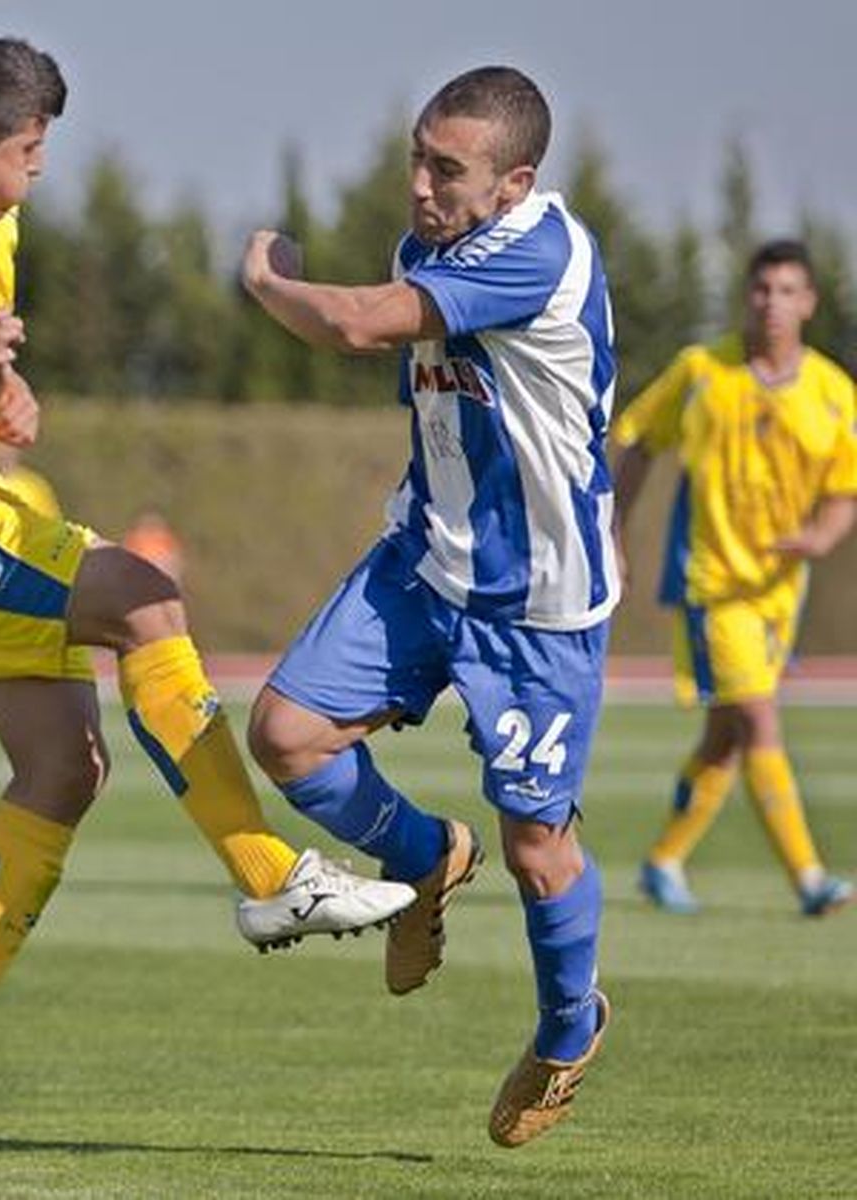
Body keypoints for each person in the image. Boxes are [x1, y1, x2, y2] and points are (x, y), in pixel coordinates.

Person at [0, 35, 415, 1153]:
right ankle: (270, 875)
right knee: (141, 592)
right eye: (29, 149)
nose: (39, 169)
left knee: (64, 768)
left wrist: (2, 395)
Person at [240, 66, 616, 1148]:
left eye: (444, 169)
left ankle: (564, 1029)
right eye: (416, 156)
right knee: (286, 733)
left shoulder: (538, 253)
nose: (416, 186)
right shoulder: (430, 247)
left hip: (537, 602)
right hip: (423, 558)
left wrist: (266, 278)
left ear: (515, 183)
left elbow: (359, 325)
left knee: (540, 847)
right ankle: (423, 857)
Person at [611, 239, 856, 918]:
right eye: (761, 288)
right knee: (758, 718)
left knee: (725, 735)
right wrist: (615, 531)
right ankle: (810, 879)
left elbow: (846, 488)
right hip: (712, 584)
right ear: (745, 295)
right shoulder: (701, 372)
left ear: (809, 302)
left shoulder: (834, 394)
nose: (771, 302)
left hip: (780, 590)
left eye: (786, 290)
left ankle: (663, 861)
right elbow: (637, 441)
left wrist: (821, 536)